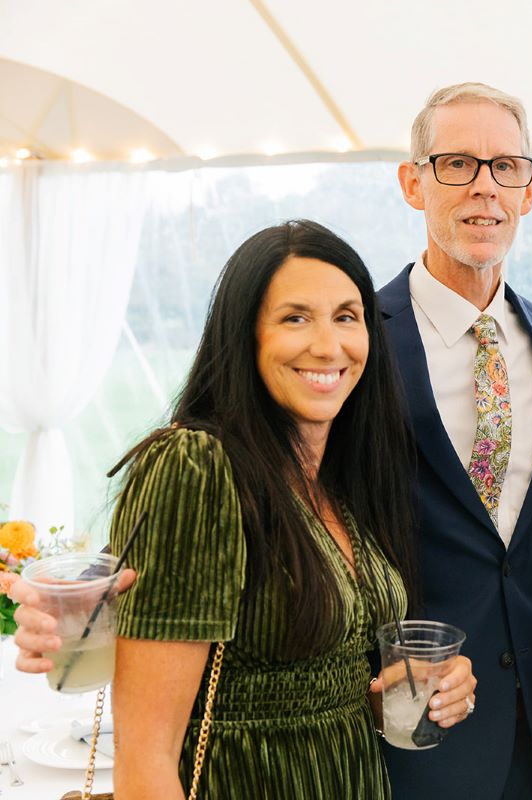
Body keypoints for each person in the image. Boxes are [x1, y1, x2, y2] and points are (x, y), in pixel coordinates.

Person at [11, 219, 476, 798]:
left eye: (346, 316)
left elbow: (319, 697)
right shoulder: (197, 466)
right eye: (295, 317)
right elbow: (144, 760)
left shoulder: (340, 477)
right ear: (245, 335)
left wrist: (425, 686)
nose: (329, 346)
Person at [376, 83, 532, 799]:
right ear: (413, 182)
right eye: (457, 163)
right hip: (414, 721)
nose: (484, 188)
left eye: (505, 166)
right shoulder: (360, 336)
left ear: (530, 189)